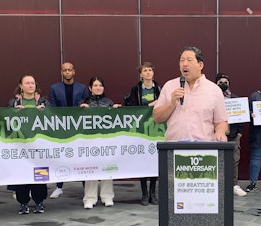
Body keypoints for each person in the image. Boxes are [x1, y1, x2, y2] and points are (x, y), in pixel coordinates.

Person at [153, 46, 228, 142]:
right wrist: (171, 104)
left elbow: (221, 121)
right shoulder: (169, 86)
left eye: (189, 60)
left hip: (203, 149)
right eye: (182, 60)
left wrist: (220, 132)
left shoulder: (214, 90)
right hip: (174, 148)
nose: (184, 64)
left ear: (200, 65)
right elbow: (157, 118)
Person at [7, 75, 50, 214]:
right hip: (20, 145)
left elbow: (54, 120)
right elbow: (5, 120)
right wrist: (14, 112)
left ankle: (39, 201)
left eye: (32, 83)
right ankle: (23, 203)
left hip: (39, 145)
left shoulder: (43, 101)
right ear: (21, 86)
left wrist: (46, 112)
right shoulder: (13, 102)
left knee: (40, 174)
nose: (30, 85)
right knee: (22, 174)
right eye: (27, 83)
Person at [48, 61, 89, 199]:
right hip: (61, 127)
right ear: (61, 72)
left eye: (69, 70)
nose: (67, 72)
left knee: (81, 157)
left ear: (74, 71)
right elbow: (52, 108)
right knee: (62, 157)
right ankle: (59, 187)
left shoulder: (82, 88)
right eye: (64, 70)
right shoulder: (54, 88)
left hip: (79, 127)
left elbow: (85, 105)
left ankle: (86, 188)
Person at [79, 76, 121, 209]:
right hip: (89, 142)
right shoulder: (83, 102)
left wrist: (116, 110)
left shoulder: (109, 102)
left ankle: (107, 196)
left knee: (107, 167)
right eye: (95, 85)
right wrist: (81, 110)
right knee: (90, 169)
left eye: (100, 85)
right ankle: (89, 199)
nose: (98, 88)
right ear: (90, 88)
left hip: (106, 141)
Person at [126, 62, 161, 206]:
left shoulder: (159, 88)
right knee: (142, 161)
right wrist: (151, 105)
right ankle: (144, 193)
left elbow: (164, 104)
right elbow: (134, 108)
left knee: (154, 161)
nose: (148, 72)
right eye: (145, 70)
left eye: (150, 70)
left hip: (157, 128)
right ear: (141, 74)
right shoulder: (136, 90)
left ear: (153, 73)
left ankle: (153, 193)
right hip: (141, 130)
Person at [215, 73, 246, 197]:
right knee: (217, 160)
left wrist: (239, 133)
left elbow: (241, 117)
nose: (223, 84)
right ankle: (218, 185)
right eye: (220, 82)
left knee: (234, 160)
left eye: (225, 82)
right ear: (216, 83)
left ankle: (234, 184)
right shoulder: (212, 98)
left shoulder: (235, 99)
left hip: (232, 134)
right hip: (216, 135)